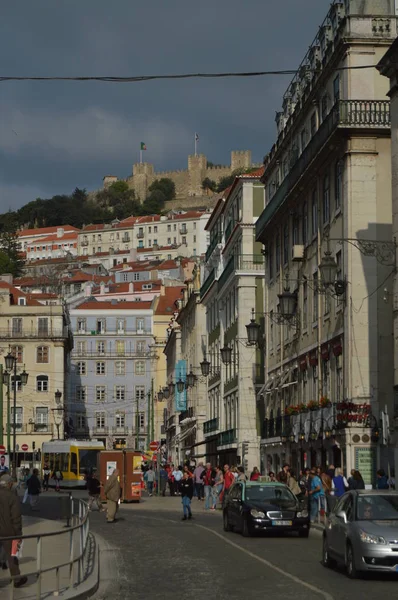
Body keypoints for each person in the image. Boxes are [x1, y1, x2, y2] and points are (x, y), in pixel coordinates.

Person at [0, 475, 28, 588]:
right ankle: (17, 579)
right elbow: (16, 518)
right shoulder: (12, 497)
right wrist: (19, 534)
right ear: (9, 484)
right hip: (10, 532)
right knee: (13, 556)